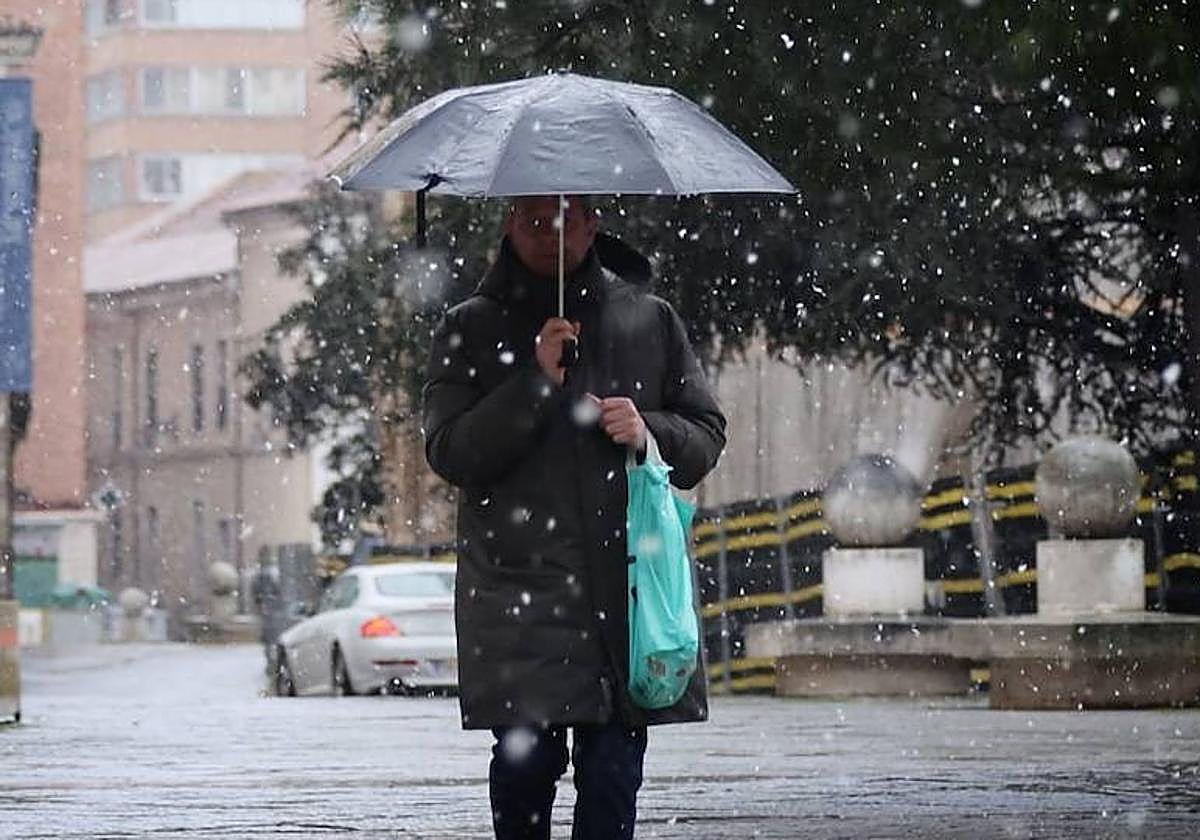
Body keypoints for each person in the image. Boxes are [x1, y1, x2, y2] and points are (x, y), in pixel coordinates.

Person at [423, 195, 726, 840]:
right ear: (509, 223)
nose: (552, 236)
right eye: (535, 221)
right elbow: (451, 451)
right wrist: (534, 380)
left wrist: (649, 432)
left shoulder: (648, 320)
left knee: (614, 772)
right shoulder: (469, 327)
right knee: (523, 770)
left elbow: (704, 435)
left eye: (568, 220)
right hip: (516, 591)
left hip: (624, 588)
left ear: (593, 224)